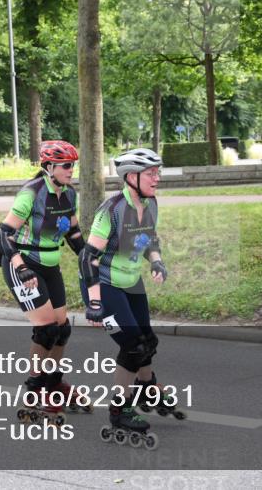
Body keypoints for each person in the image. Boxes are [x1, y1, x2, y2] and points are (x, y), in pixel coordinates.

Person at [80, 148, 178, 450]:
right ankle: (119, 410)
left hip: (131, 282)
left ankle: (146, 387)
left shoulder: (150, 203)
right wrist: (94, 303)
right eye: (151, 174)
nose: (156, 178)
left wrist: (156, 262)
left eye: (157, 173)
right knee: (133, 345)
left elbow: (149, 238)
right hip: (104, 284)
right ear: (131, 177)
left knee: (147, 340)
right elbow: (87, 258)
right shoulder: (111, 210)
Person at [0, 140, 89, 424]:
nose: (71, 170)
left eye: (73, 165)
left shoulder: (69, 194)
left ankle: (54, 382)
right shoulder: (32, 194)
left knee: (62, 329)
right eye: (66, 165)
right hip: (21, 263)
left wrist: (90, 259)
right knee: (47, 330)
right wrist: (21, 267)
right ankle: (35, 389)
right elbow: (3, 234)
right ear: (49, 167)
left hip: (49, 265)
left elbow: (73, 233)